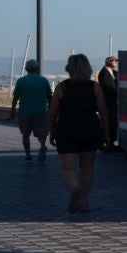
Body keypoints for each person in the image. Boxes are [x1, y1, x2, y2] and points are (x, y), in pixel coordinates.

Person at [46, 53, 109, 214]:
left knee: (67, 168)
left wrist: (51, 132)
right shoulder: (94, 87)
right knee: (87, 166)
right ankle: (83, 200)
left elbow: (53, 112)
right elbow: (103, 113)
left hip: (67, 129)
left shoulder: (62, 87)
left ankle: (74, 189)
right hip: (90, 128)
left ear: (69, 69)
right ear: (88, 68)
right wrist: (106, 134)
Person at [10, 60, 50, 161]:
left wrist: (13, 110)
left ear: (26, 69)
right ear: (37, 68)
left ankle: (28, 154)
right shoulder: (44, 81)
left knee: (25, 134)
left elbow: (16, 97)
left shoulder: (21, 81)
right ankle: (42, 146)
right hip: (40, 112)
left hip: (25, 112)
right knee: (41, 133)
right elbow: (50, 97)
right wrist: (50, 109)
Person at [98, 55, 121, 151]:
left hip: (114, 101)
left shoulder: (115, 73)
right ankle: (106, 142)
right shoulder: (104, 73)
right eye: (114, 61)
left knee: (113, 121)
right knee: (108, 121)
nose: (116, 62)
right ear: (109, 62)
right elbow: (108, 88)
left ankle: (111, 141)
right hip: (108, 101)